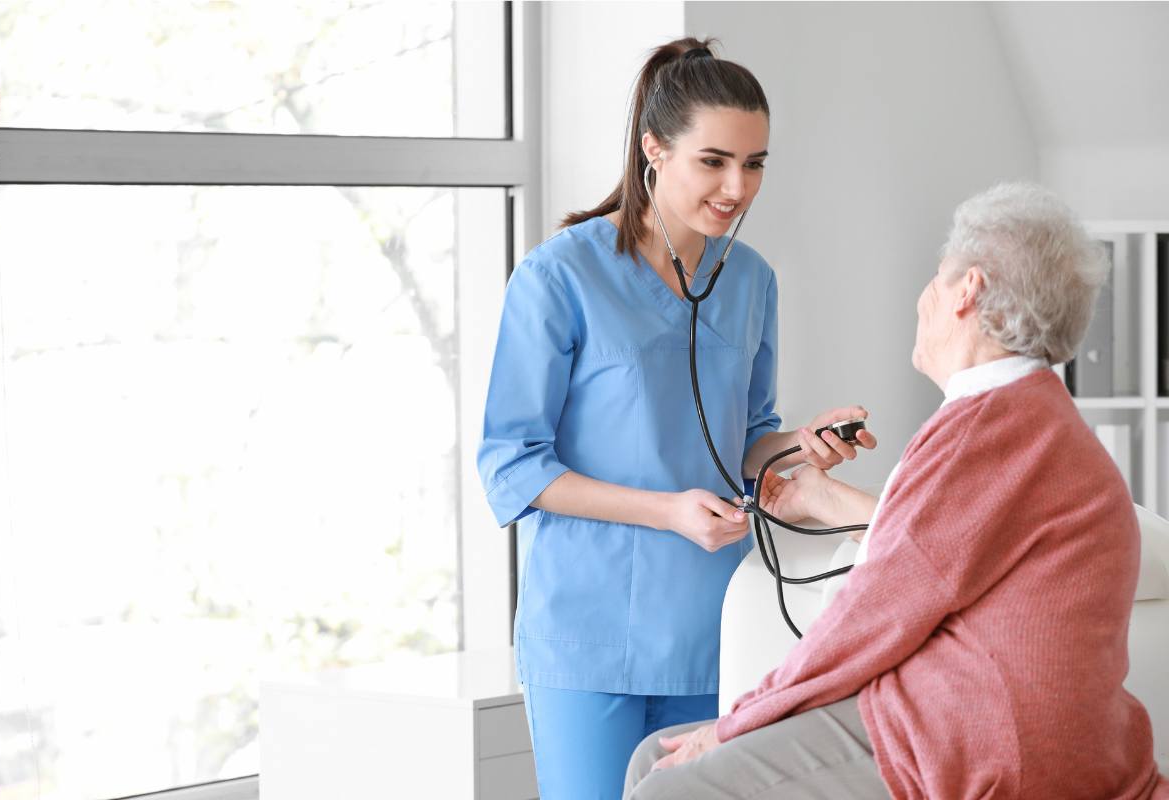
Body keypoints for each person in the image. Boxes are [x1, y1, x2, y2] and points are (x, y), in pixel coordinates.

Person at [623, 182, 1169, 799]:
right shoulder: (1036, 423)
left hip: (981, 738)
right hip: (1014, 724)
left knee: (669, 785)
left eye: (937, 279)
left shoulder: (984, 431)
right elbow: (941, 549)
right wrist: (829, 503)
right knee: (654, 756)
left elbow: (875, 612)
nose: (924, 300)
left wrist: (740, 721)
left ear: (970, 290)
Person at [476, 37, 875, 800]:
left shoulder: (752, 281)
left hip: (710, 628)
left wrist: (801, 445)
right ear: (654, 150)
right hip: (587, 636)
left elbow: (745, 440)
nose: (737, 186)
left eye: (754, 164)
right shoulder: (561, 275)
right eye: (714, 161)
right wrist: (666, 512)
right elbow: (513, 462)